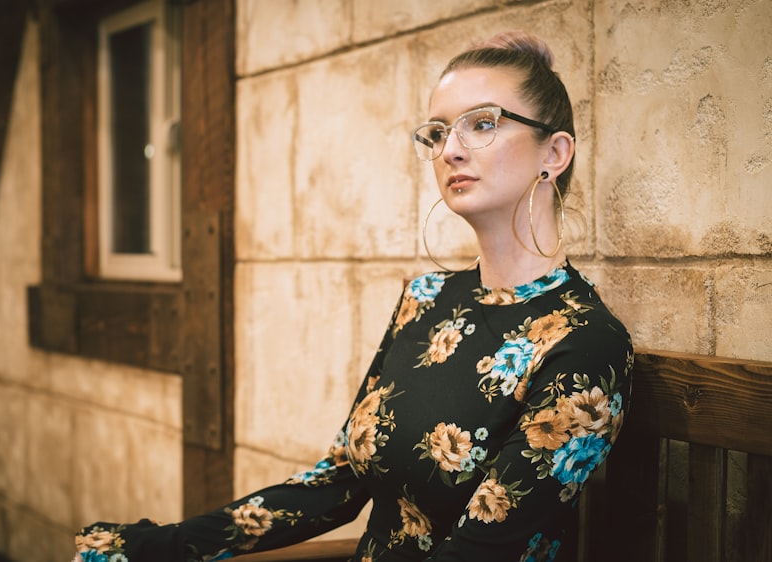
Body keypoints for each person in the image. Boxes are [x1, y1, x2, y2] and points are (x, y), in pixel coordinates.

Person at [72, 30, 633, 562]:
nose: (450, 151)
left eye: (481, 124)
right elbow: (339, 481)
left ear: (554, 153)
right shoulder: (426, 299)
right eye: (438, 132)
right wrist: (161, 545)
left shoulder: (584, 343)